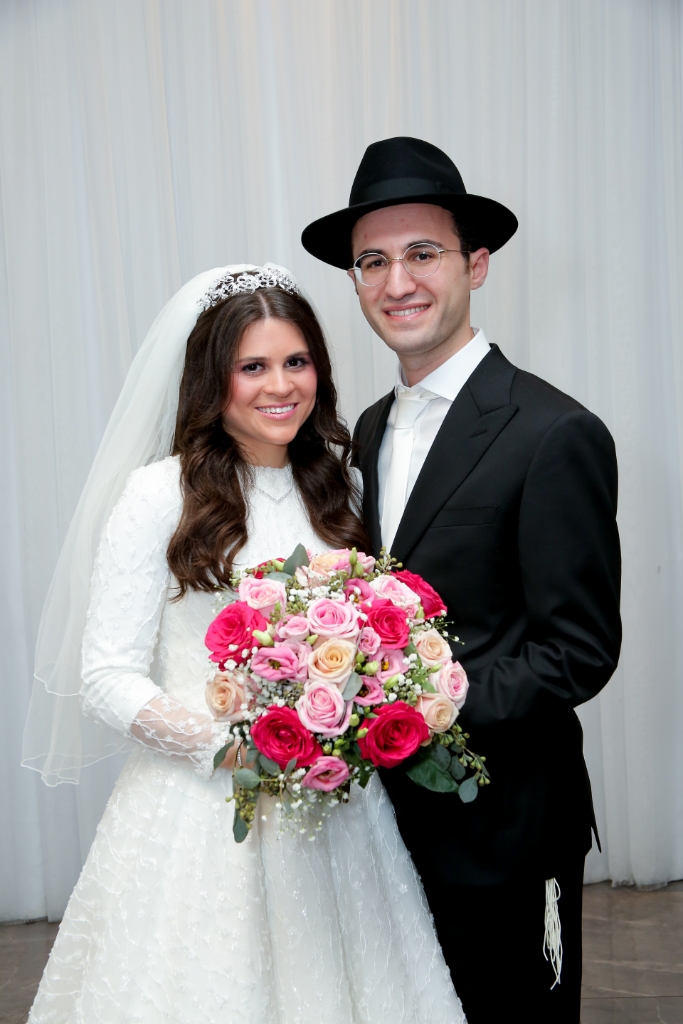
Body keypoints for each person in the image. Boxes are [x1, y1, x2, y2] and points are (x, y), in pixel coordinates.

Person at [24, 265, 466, 1024]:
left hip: (336, 815)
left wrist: (361, 708)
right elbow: (105, 677)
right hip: (201, 812)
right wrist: (236, 751)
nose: (280, 386)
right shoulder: (159, 495)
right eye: (252, 367)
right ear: (211, 379)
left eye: (296, 361)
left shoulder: (342, 486)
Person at [302, 138, 622, 1024]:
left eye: (422, 253)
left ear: (475, 265)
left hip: (503, 829)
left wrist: (416, 702)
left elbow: (578, 653)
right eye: (372, 261)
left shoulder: (553, 432)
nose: (396, 281)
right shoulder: (367, 428)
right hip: (381, 826)